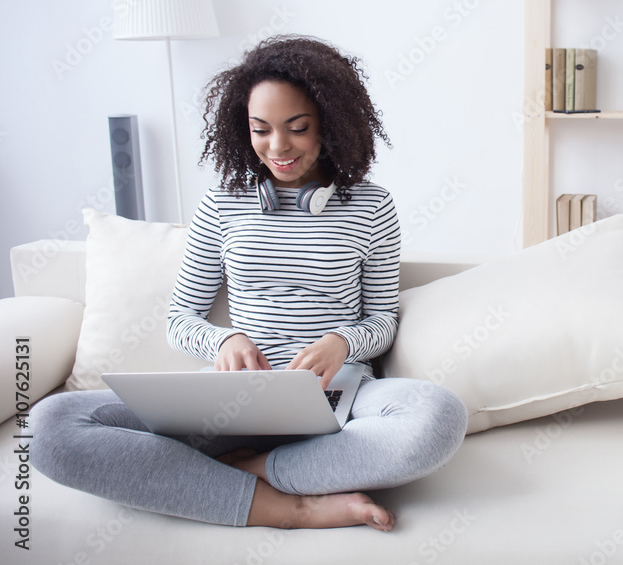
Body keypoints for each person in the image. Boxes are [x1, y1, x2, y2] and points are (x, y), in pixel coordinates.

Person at [30, 35, 468, 531]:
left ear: (332, 121)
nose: (277, 148)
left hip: (339, 401)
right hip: (230, 403)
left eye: (298, 128)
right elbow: (180, 320)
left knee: (438, 417)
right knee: (50, 427)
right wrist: (226, 339)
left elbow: (382, 321)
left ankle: (252, 471)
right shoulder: (221, 204)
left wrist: (342, 343)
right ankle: (290, 507)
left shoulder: (371, 206)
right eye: (261, 130)